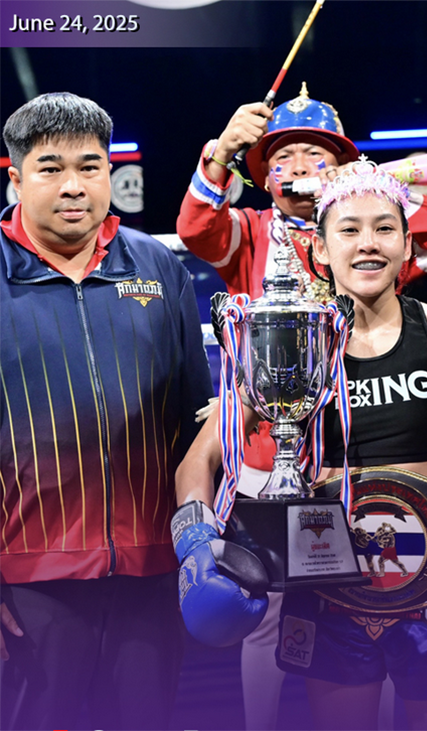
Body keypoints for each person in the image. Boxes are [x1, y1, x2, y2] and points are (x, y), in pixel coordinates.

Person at [173, 158, 427, 730]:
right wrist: (196, 545)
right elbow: (199, 459)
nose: (368, 243)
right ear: (320, 249)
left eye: (384, 228)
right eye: (349, 229)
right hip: (332, 585)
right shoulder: (292, 346)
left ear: (406, 244)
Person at [177, 83, 427, 731]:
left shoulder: (366, 241)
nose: (297, 170)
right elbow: (195, 229)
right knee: (263, 617)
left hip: (359, 458)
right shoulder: (251, 230)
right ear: (263, 178)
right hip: (266, 452)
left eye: (316, 157)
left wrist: (368, 188)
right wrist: (220, 154)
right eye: (281, 159)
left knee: (385, 609)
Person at [0, 92, 212, 731]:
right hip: (27, 578)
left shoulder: (157, 265)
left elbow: (196, 417)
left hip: (152, 572)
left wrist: (199, 545)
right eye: (51, 168)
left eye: (89, 167)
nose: (74, 186)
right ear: (16, 178)